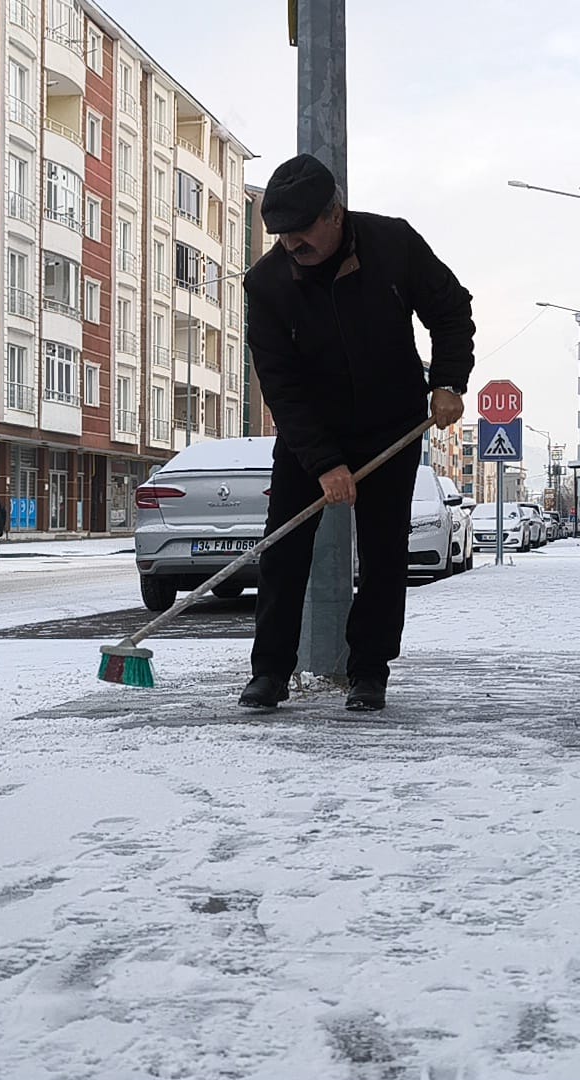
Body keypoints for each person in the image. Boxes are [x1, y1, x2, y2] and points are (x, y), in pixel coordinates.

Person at [240, 154, 476, 713]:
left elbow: (450, 309)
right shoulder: (268, 284)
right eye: (281, 237)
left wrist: (446, 382)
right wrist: (323, 462)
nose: (290, 246)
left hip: (390, 424)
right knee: (284, 548)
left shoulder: (391, 244)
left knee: (383, 551)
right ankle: (270, 671)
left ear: (335, 214)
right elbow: (280, 384)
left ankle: (369, 671)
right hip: (311, 433)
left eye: (301, 234)